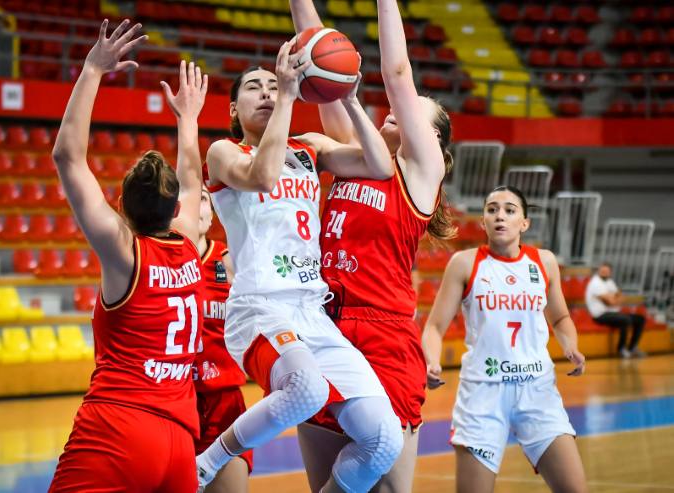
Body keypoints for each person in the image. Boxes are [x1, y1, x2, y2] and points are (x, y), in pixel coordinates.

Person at [195, 38, 404, 493]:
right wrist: (289, 97)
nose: (268, 92)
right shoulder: (224, 152)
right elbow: (262, 177)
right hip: (260, 308)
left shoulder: (309, 148)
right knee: (306, 389)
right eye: (255, 87)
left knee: (384, 440)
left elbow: (380, 166)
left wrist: (350, 100)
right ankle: (206, 463)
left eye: (274, 85)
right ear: (233, 110)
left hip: (312, 311)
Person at [289, 0, 454, 490]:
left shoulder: (420, 174)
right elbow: (317, 53)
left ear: (434, 140)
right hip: (324, 329)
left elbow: (397, 73)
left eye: (413, 111)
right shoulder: (353, 153)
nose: (399, 110)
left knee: (386, 488)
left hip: (384, 336)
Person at [48, 19, 207, 492]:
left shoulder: (126, 254)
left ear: (119, 206)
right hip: (180, 441)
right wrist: (188, 119)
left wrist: (92, 70)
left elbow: (67, 157)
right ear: (176, 211)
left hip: (118, 428)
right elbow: (193, 179)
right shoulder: (189, 244)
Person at [423, 186, 588, 493]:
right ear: (483, 221)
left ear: (524, 223)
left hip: (537, 389)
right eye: (492, 209)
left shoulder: (544, 262)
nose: (500, 215)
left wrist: (570, 346)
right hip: (483, 392)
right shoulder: (464, 263)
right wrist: (431, 361)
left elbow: (561, 318)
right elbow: (434, 326)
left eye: (510, 210)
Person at [193, 187, 252, 492]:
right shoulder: (157, 263)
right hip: (174, 402)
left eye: (203, 198)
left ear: (212, 211)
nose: (196, 204)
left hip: (225, 403)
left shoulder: (230, 262)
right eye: (189, 196)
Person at [585, 262, 646, 358]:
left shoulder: (610, 282)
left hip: (613, 313)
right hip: (600, 316)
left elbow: (621, 297)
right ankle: (621, 349)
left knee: (640, 319)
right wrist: (614, 298)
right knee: (625, 320)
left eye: (606, 271)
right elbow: (610, 302)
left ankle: (632, 347)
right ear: (599, 271)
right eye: (602, 271)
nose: (604, 273)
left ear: (610, 272)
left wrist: (613, 298)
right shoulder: (595, 283)